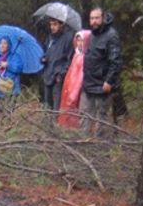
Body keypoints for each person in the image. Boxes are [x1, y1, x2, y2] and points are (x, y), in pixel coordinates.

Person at [81, 7, 122, 137]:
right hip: (89, 83)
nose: (94, 21)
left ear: (103, 18)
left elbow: (115, 61)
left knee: (101, 117)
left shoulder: (111, 35)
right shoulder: (92, 35)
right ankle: (84, 142)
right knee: (85, 115)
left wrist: (109, 81)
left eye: (97, 18)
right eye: (92, 18)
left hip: (103, 85)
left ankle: (100, 147)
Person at [57, 30, 91, 128]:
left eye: (82, 41)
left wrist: (73, 94)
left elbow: (80, 78)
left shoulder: (84, 57)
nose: (79, 43)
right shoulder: (76, 55)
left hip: (77, 92)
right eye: (78, 41)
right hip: (69, 90)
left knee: (78, 113)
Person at [41, 18, 74, 112]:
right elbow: (45, 53)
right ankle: (47, 126)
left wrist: (61, 74)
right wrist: (43, 59)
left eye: (55, 24)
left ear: (61, 25)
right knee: (47, 106)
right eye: (51, 24)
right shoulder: (49, 39)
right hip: (47, 75)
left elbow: (69, 59)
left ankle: (56, 126)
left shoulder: (68, 38)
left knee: (57, 107)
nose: (52, 27)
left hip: (58, 77)